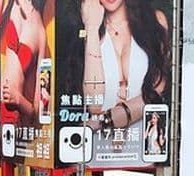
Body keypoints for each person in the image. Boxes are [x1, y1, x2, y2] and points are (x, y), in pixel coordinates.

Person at [60, 0, 170, 141]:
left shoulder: (155, 21)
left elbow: (159, 89)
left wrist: (101, 121)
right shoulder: (86, 29)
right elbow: (94, 105)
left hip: (142, 151)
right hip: (96, 153)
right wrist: (92, 28)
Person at [1, 0, 50, 125]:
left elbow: (38, 112)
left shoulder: (40, 34)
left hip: (18, 117)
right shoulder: (10, 4)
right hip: (1, 111)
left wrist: (18, 99)